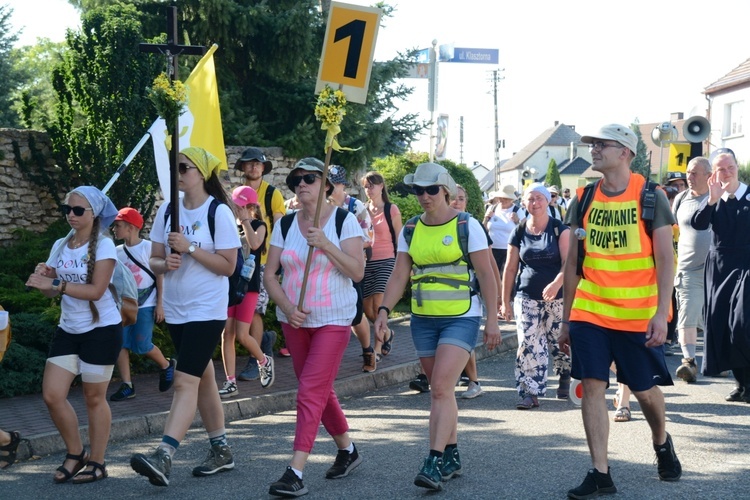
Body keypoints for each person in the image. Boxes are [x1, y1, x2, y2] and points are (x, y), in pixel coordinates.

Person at [559, 124, 682, 498]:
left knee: (645, 392)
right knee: (592, 385)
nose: (594, 150)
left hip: (636, 316)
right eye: (593, 144)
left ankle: (661, 441)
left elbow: (665, 258)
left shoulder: (650, 196)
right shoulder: (582, 198)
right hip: (590, 313)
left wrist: (661, 313)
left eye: (602, 145)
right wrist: (566, 321)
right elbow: (572, 264)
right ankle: (600, 472)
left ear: (625, 152)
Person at [374, 163, 500, 491]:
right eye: (419, 190)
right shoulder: (411, 229)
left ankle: (432, 462)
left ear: (445, 189)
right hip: (423, 319)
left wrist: (491, 319)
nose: (425, 196)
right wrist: (384, 311)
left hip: (461, 317)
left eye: (431, 189)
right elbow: (400, 274)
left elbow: (486, 274)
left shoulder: (466, 225)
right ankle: (452, 454)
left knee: (442, 389)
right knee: (440, 392)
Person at [130, 147, 241, 487]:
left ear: (202, 173)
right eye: (175, 167)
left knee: (184, 380)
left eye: (185, 167)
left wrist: (191, 249)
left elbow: (228, 266)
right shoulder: (167, 210)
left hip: (206, 310)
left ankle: (164, 455)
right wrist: (168, 263)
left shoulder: (218, 212)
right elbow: (155, 260)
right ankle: (221, 449)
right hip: (177, 310)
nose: (178, 173)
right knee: (203, 377)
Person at [265, 158, 366, 498]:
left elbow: (356, 272)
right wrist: (287, 307)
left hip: (333, 319)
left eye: (309, 177)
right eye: (296, 179)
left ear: (325, 184)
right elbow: (270, 275)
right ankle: (348, 449)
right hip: (295, 320)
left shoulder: (344, 220)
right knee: (320, 391)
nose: (302, 183)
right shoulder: (285, 225)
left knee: (309, 391)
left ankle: (295, 472)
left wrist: (325, 244)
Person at [26, 186, 121, 483]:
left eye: (78, 210)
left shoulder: (104, 246)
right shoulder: (60, 244)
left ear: (94, 215)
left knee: (94, 398)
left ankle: (98, 461)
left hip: (102, 330)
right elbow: (48, 295)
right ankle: (75, 452)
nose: (71, 215)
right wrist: (44, 280)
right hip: (69, 328)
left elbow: (96, 291)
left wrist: (56, 285)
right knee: (52, 395)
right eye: (67, 209)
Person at [501, 183, 571, 408]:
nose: (535, 203)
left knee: (559, 342)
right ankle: (530, 391)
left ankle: (564, 374)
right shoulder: (519, 230)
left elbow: (568, 263)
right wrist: (505, 301)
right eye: (530, 199)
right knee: (529, 343)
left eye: (539, 198)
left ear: (548, 200)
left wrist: (556, 283)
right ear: (524, 203)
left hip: (558, 297)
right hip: (526, 296)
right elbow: (510, 268)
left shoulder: (560, 228)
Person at [691, 148, 750, 403]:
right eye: (720, 169)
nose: (726, 173)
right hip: (719, 268)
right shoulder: (714, 199)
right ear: (713, 173)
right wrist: (712, 199)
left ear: (737, 167)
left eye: (730, 168)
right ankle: (743, 384)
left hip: (747, 267)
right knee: (721, 325)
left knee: (741, 324)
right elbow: (699, 223)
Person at [109, 207, 175, 402]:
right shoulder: (116, 252)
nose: (114, 229)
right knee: (120, 343)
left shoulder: (148, 248)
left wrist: (161, 304)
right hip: (124, 304)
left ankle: (166, 365)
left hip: (147, 303)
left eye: (118, 225)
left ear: (130, 228)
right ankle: (127, 385)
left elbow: (160, 276)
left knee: (143, 343)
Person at [217, 185, 275, 398]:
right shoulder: (229, 225)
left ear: (249, 206)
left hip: (248, 285)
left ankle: (263, 360)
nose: (236, 209)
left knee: (242, 334)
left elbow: (255, 243)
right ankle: (230, 381)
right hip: (229, 284)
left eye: (239, 206)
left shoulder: (258, 225)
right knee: (227, 334)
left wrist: (245, 221)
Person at [235, 147, 289, 372]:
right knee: (240, 310)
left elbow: (280, 229)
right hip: (238, 261)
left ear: (264, 168)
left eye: (258, 163)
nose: (254, 166)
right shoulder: (235, 194)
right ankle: (263, 342)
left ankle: (255, 360)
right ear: (243, 167)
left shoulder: (271, 193)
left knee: (255, 311)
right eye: (250, 163)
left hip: (264, 261)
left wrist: (278, 264)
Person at [327, 165, 377, 372]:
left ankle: (368, 351)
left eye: (332, 184)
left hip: (352, 268)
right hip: (327, 269)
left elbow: (369, 239)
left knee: (356, 315)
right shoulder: (321, 207)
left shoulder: (355, 207)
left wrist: (339, 246)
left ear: (341, 184)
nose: (328, 188)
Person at [672, 157, 712, 383]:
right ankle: (689, 362)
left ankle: (718, 359)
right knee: (686, 313)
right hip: (689, 269)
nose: (689, 176)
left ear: (709, 175)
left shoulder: (721, 198)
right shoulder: (680, 199)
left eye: (695, 173)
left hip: (717, 270)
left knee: (716, 317)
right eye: (688, 172)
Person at [362, 171, 402, 366]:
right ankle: (387, 333)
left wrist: (403, 264)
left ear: (381, 186)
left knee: (378, 305)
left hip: (387, 260)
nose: (369, 190)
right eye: (366, 186)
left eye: (372, 185)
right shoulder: (362, 210)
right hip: (366, 262)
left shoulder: (391, 209)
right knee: (367, 309)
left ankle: (377, 348)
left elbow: (400, 238)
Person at [483, 184, 520, 302]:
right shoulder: (492, 208)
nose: (502, 200)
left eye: (506, 198)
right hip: (492, 249)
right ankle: (495, 301)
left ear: (511, 199)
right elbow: (484, 229)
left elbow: (524, 230)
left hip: (510, 250)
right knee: (493, 277)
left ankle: (505, 303)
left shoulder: (517, 211)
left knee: (505, 277)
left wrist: (517, 221)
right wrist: (486, 218)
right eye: (501, 197)